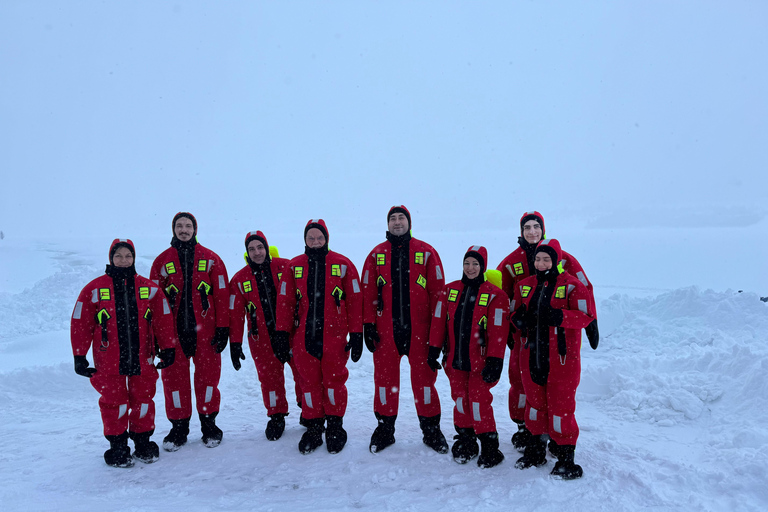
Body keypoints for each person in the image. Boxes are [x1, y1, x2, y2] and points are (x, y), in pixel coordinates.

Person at [495, 211, 599, 452]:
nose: (532, 231)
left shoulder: (566, 260)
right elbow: (500, 294)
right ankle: (525, 428)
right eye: (527, 227)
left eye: (536, 226)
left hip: (555, 335)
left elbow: (584, 287)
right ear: (520, 231)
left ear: (543, 229)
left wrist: (591, 322)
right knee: (522, 381)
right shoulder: (511, 263)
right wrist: (508, 327)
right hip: (525, 334)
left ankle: (556, 433)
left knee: (557, 387)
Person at [70, 239, 177, 468]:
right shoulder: (94, 289)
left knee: (144, 400)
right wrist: (79, 356)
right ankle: (118, 446)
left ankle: (142, 442)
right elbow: (81, 322)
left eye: (128, 256)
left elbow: (164, 319)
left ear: (134, 258)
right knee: (113, 401)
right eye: (118, 256)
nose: (123, 260)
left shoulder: (149, 288)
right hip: (109, 359)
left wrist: (168, 348)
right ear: (111, 258)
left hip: (143, 357)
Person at [360, 205, 448, 454]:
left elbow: (438, 295)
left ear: (409, 222)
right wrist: (368, 325)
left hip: (420, 332)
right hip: (386, 332)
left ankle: (431, 431)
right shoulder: (376, 255)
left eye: (401, 218)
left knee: (425, 383)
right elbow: (368, 293)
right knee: (385, 382)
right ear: (387, 224)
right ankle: (385, 430)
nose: (397, 222)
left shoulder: (427, 252)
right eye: (393, 219)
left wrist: (437, 336)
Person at [274, 219, 363, 454]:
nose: (315, 242)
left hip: (334, 338)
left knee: (334, 382)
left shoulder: (343, 265)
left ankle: (335, 426)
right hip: (304, 337)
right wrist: (282, 333)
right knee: (309, 384)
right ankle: (313, 428)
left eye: (319, 237)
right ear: (304, 239)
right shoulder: (294, 267)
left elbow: (355, 301)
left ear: (327, 238)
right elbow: (284, 302)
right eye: (311, 237)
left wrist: (356, 333)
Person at [510, 239, 595, 479]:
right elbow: (513, 311)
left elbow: (585, 316)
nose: (541, 263)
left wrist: (560, 316)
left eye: (546, 258)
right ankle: (536, 450)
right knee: (535, 406)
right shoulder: (524, 286)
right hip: (532, 356)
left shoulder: (572, 286)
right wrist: (518, 319)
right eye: (538, 258)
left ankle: (566, 457)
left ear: (556, 260)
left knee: (561, 409)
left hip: (561, 360)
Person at [150, 212, 230, 450]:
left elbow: (223, 296)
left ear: (195, 229)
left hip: (205, 333)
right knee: (174, 383)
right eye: (179, 226)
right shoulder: (162, 261)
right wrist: (156, 336)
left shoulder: (211, 259)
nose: (183, 230)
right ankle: (178, 428)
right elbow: (153, 302)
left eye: (187, 226)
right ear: (173, 229)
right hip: (173, 335)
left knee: (207, 380)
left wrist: (223, 328)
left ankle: (209, 425)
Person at [427, 246, 508, 468]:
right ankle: (466, 440)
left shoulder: (495, 295)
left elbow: (499, 331)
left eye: (475, 264)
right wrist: (433, 349)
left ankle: (490, 447)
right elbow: (438, 322)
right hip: (455, 360)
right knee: (461, 400)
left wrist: (495, 359)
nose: (470, 268)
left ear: (483, 266)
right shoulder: (449, 290)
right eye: (467, 263)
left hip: (481, 362)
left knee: (479, 402)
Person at [229, 230, 302, 440]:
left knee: (304, 374)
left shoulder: (285, 266)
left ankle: (309, 411)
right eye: (251, 249)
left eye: (260, 247)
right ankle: (276, 416)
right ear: (247, 252)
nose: (257, 252)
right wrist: (235, 343)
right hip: (261, 340)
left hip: (292, 334)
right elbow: (235, 316)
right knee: (270, 380)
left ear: (266, 247)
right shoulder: (239, 279)